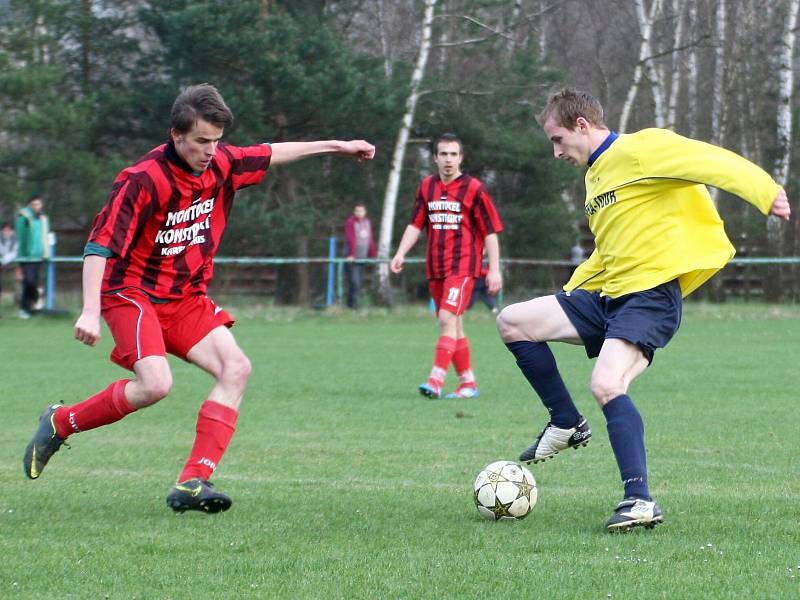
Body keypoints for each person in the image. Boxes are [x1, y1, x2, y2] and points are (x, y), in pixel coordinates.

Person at [22, 83, 375, 514]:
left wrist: (338, 146)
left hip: (185, 297)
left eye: (217, 141)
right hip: (130, 293)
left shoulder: (221, 163)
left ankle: (193, 481)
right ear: (176, 135)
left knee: (236, 368)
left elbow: (270, 152)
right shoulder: (141, 180)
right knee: (156, 384)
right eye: (201, 141)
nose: (210, 150)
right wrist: (91, 311)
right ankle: (61, 422)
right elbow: (99, 246)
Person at [496, 88, 791, 531]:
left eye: (557, 139)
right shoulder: (595, 178)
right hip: (610, 297)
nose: (556, 152)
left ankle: (639, 500)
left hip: (650, 298)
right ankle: (566, 422)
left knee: (607, 383)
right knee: (513, 321)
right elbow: (608, 250)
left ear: (581, 125)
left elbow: (711, 160)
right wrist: (572, 291)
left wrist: (766, 192)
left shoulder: (641, 149)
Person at [391, 133, 503, 399]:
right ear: (435, 158)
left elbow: (490, 231)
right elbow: (415, 223)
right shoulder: (427, 187)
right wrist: (400, 253)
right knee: (454, 326)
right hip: (435, 268)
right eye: (443, 154)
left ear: (460, 158)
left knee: (446, 319)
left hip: (463, 267)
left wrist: (495, 268)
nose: (448, 160)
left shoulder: (475, 189)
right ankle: (468, 383)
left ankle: (436, 380)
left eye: (453, 154)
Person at [15, 196, 50, 319]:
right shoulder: (23, 218)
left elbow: (45, 236)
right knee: (28, 282)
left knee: (32, 282)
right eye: (34, 204)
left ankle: (29, 308)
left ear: (41, 205)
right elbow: (21, 237)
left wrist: (47, 253)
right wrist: (21, 257)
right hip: (26, 257)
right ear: (30, 205)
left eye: (38, 204)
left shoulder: (43, 219)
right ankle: (27, 305)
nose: (36, 207)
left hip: (39, 257)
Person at [343, 203, 377, 309]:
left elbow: (370, 240)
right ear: (354, 212)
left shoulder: (367, 222)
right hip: (352, 257)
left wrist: (373, 255)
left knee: (359, 283)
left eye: (361, 211)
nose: (359, 213)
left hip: (362, 257)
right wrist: (351, 254)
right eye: (357, 211)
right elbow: (351, 238)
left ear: (365, 212)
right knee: (354, 282)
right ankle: (353, 306)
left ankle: (351, 306)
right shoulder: (350, 222)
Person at [0, 222, 18, 315]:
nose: (7, 232)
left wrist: (4, 260)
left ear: (12, 231)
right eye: (5, 230)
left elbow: (14, 253)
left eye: (9, 230)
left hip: (7, 265)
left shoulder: (15, 240)